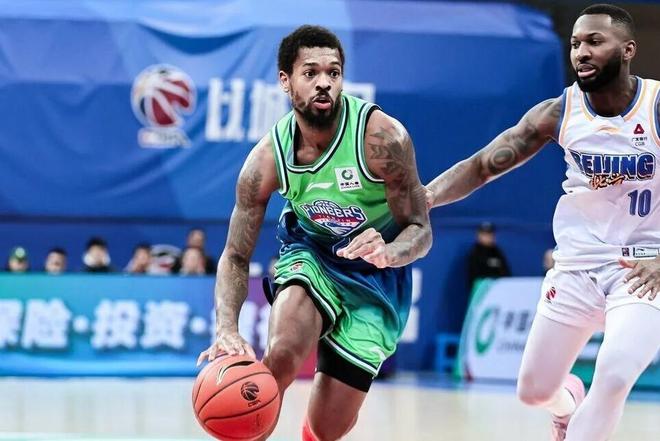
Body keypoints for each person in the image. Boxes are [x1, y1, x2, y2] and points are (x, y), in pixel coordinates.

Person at [426, 5, 660, 440]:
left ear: (628, 50)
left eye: (595, 42)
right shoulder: (559, 112)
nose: (581, 52)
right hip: (577, 266)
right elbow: (482, 165)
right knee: (534, 392)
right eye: (575, 44)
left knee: (614, 373)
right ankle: (567, 402)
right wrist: (427, 197)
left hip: (642, 267)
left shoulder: (655, 107)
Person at [197, 25, 431, 441]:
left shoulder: (382, 139)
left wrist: (390, 251)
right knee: (280, 358)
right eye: (311, 72)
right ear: (285, 81)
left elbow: (420, 230)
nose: (324, 82)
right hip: (313, 255)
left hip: (377, 275)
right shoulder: (267, 159)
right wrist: (226, 328)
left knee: (326, 428)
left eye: (333, 72)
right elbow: (234, 255)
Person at [466, 221, 511, 289]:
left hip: (499, 289)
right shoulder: (474, 253)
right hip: (482, 290)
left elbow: (506, 272)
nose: (488, 237)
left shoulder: (497, 252)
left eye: (490, 234)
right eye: (484, 234)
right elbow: (473, 277)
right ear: (478, 235)